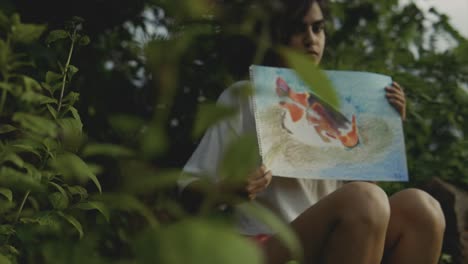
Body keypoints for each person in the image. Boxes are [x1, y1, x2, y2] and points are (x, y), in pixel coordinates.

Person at [179, 0, 446, 263]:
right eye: (298, 29)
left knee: (424, 209)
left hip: (335, 239)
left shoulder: (341, 99)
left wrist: (381, 133)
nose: (311, 39)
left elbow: (366, 201)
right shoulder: (244, 95)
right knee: (366, 200)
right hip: (266, 243)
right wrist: (228, 190)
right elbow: (187, 190)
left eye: (318, 28)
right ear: (275, 35)